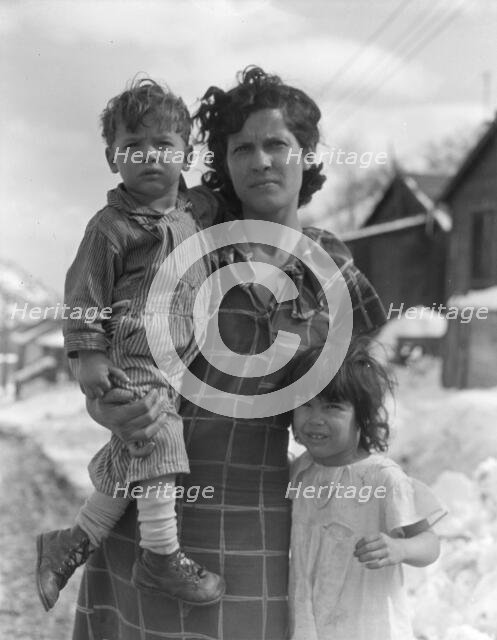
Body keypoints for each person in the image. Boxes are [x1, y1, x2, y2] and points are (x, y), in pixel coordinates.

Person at [71, 67, 387, 640]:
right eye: (243, 147)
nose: (261, 160)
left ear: (305, 155)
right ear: (223, 161)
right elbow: (114, 342)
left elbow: (355, 397)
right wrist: (106, 407)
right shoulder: (180, 237)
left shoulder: (330, 267)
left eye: (277, 144)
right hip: (149, 503)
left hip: (255, 511)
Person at [36, 78, 224, 612]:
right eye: (134, 146)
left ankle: (69, 544)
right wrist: (89, 356)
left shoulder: (192, 216)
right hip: (131, 358)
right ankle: (161, 556)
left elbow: (208, 201)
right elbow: (84, 295)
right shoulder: (111, 227)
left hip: (172, 363)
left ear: (186, 152)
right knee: (158, 443)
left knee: (134, 455)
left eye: (164, 145)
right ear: (112, 157)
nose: (150, 156)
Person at [286, 337, 445, 640]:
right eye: (306, 406)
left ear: (362, 417)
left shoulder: (383, 479)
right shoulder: (301, 471)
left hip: (368, 627)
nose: (315, 419)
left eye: (332, 407)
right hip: (310, 626)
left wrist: (400, 548)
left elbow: (430, 544)